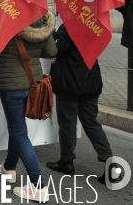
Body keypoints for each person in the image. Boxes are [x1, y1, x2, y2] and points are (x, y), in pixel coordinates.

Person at [0, 11, 57, 202]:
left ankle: (38, 186)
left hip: (11, 85)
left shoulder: (7, 19)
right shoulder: (42, 19)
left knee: (19, 132)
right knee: (17, 128)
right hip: (32, 82)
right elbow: (51, 51)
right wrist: (33, 50)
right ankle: (9, 168)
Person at [46, 23, 114, 184]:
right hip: (91, 83)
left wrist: (52, 33)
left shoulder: (68, 26)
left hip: (69, 84)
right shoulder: (94, 25)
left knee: (68, 125)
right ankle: (110, 163)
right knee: (92, 124)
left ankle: (66, 162)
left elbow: (56, 49)